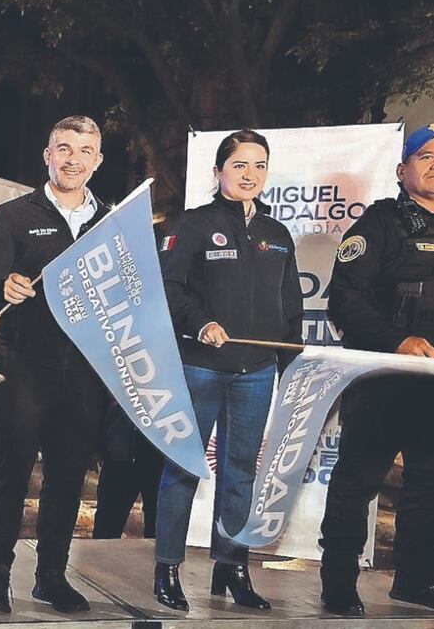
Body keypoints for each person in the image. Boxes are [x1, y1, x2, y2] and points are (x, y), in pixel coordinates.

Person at [154, 129, 302, 612]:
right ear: (218, 172)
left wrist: (291, 368)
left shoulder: (277, 235)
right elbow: (169, 287)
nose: (250, 174)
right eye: (240, 165)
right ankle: (168, 568)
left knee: (241, 473)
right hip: (201, 367)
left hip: (256, 372)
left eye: (259, 166)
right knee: (183, 468)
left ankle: (232, 566)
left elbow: (291, 308)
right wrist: (201, 324)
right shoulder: (194, 225)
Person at [0, 115, 110, 614]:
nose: (73, 158)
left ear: (97, 161)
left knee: (68, 479)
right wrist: (1, 285)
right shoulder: (13, 214)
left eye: (84, 150)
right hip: (25, 367)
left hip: (86, 373)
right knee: (10, 476)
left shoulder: (110, 221)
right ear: (47, 155)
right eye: (64, 148)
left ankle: (51, 576)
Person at [318, 124, 434, 617]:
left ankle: (415, 583)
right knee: (357, 482)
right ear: (402, 170)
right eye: (426, 156)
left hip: (432, 388)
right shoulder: (380, 224)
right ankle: (338, 584)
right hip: (384, 379)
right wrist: (399, 341)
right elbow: (344, 300)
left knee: (428, 488)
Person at [91, 401, 164, 540]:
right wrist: (97, 446)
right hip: (120, 450)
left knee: (159, 533)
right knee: (106, 530)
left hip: (160, 450)